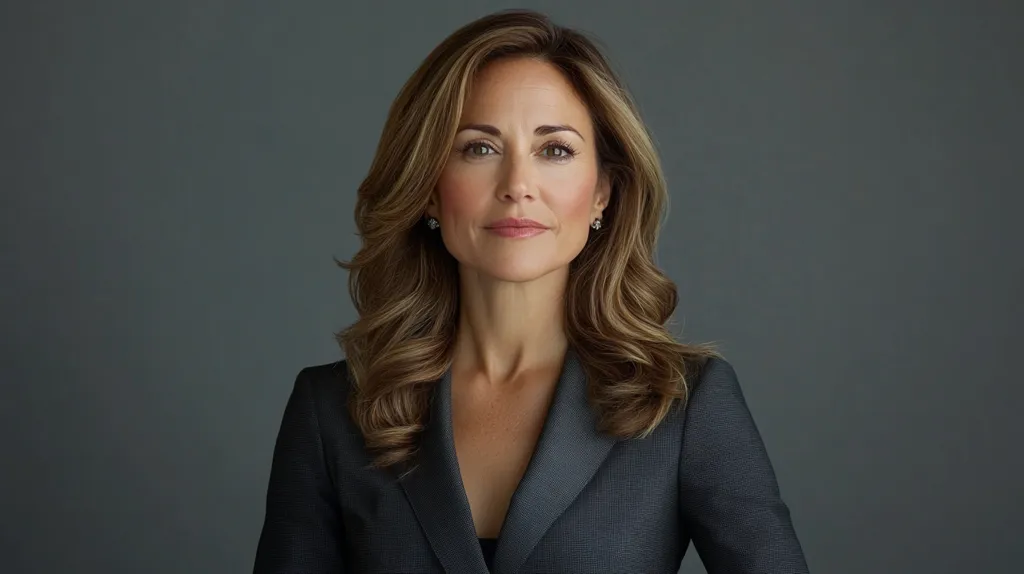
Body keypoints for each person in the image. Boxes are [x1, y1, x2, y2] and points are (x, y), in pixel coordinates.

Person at [253, 9, 808, 574]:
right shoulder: (331, 411)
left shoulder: (685, 405)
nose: (518, 185)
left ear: (602, 193)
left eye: (556, 150)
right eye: (479, 148)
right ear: (427, 189)